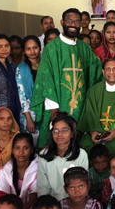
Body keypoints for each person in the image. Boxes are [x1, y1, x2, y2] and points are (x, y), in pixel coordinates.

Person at [31, 8, 102, 149]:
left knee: (78, 142)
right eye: (70, 20)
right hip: (59, 106)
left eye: (77, 21)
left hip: (81, 106)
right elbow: (46, 78)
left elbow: (96, 71)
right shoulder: (52, 48)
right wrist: (54, 109)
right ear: (62, 22)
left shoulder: (85, 48)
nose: (73, 24)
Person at [37, 113, 89, 200]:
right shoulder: (44, 155)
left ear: (72, 133)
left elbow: (83, 185)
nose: (59, 134)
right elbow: (43, 187)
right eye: (56, 131)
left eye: (64, 130)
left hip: (76, 201)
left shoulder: (81, 154)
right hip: (52, 204)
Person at [0, 133, 38, 209]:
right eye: (17, 148)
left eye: (25, 148)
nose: (21, 152)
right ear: (12, 150)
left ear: (32, 149)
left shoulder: (38, 167)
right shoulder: (6, 169)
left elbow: (34, 196)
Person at [16, 35, 40, 137]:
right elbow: (22, 97)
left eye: (35, 47)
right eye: (28, 48)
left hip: (46, 110)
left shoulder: (46, 65)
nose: (32, 51)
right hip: (29, 113)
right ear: (24, 50)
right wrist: (29, 119)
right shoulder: (21, 68)